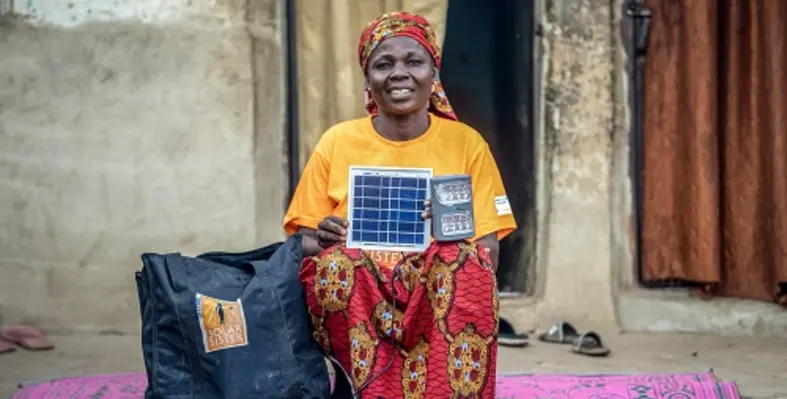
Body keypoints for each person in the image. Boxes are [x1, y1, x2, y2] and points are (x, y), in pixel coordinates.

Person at [283, 12, 517, 398]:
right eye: (383, 64)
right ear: (367, 79)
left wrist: (448, 231)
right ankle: (367, 391)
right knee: (336, 267)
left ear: (433, 73)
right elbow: (300, 245)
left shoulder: (466, 144)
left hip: (434, 293)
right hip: (361, 296)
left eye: (414, 61)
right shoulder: (337, 142)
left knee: (460, 263)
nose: (399, 73)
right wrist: (325, 238)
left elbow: (487, 253)